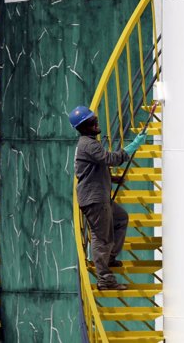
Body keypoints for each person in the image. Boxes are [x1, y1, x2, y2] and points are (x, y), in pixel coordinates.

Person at [69, 105, 146, 290]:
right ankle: (104, 279)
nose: (96, 123)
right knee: (101, 237)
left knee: (120, 219)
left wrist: (112, 178)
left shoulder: (87, 144)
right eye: (91, 122)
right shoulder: (89, 144)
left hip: (98, 197)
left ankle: (109, 258)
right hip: (95, 199)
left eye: (95, 119)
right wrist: (132, 146)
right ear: (84, 127)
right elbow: (110, 159)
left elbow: (91, 170)